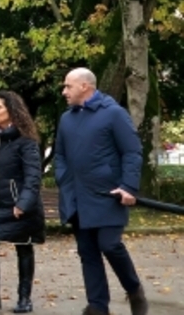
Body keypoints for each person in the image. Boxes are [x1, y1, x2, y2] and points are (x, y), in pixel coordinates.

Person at [55, 68, 148, 315]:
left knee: (109, 245)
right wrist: (64, 180)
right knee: (87, 252)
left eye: (68, 86)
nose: (64, 91)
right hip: (77, 196)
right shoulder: (67, 118)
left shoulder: (114, 114)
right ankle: (97, 306)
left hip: (108, 195)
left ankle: (134, 289)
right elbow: (60, 155)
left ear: (85, 86)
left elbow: (132, 151)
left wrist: (129, 186)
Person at [0, 90, 45, 313]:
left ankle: (25, 299)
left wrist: (23, 203)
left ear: (11, 110)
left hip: (18, 204)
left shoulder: (26, 141)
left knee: (23, 248)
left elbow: (33, 176)